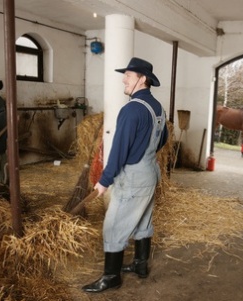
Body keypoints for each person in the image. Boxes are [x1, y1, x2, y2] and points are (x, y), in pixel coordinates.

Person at [82, 57, 168, 293]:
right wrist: (145, 153)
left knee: (113, 226)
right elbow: (163, 139)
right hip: (150, 173)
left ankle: (111, 277)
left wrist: (104, 180)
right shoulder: (158, 108)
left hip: (132, 178)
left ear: (143, 79)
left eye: (128, 76)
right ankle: (141, 264)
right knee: (142, 220)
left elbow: (119, 151)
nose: (124, 80)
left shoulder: (131, 110)